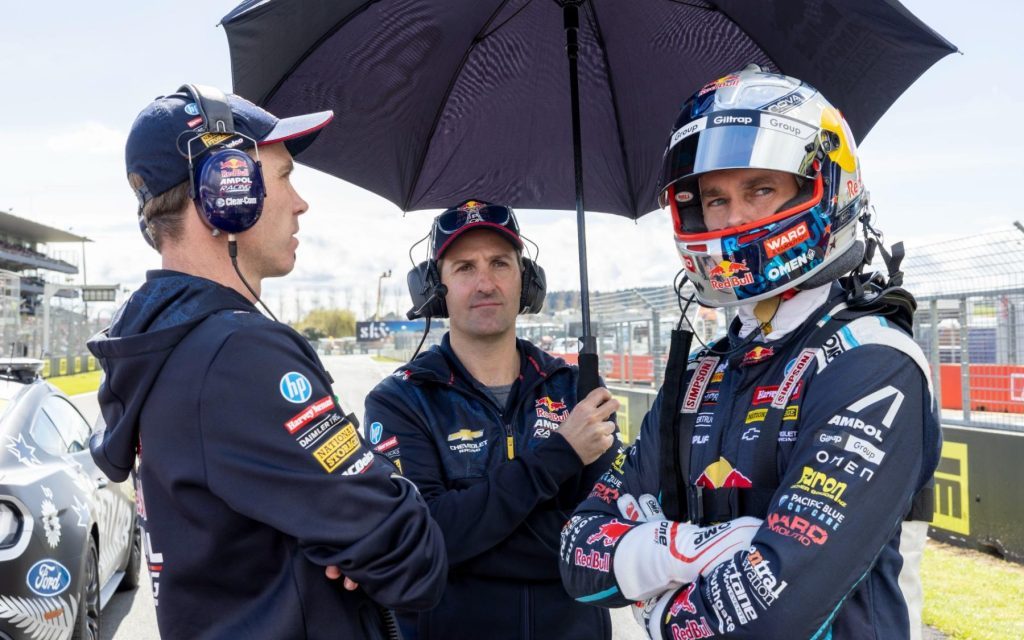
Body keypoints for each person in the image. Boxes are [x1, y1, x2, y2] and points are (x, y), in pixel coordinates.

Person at [560, 66, 940, 640]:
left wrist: (659, 609)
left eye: (760, 189)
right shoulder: (699, 372)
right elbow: (577, 550)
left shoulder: (875, 363)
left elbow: (775, 613)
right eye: (715, 199)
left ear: (825, 189)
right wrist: (680, 550)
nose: (733, 218)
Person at [87, 85, 447, 639]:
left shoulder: (162, 344)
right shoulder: (238, 354)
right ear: (225, 192)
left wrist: (349, 521)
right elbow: (412, 558)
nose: (301, 202)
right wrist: (383, 489)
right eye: (283, 177)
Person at [363, 199, 620, 640]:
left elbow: (612, 539)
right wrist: (559, 456)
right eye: (464, 268)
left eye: (500, 263)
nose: (485, 283)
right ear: (433, 289)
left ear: (527, 280)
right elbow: (424, 537)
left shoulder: (575, 391)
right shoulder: (400, 400)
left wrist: (469, 531)